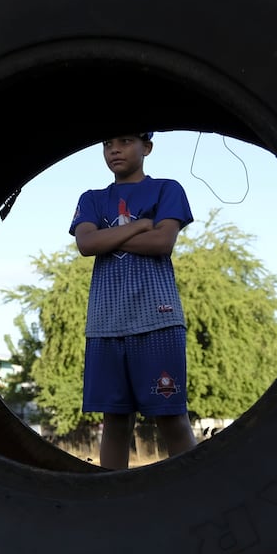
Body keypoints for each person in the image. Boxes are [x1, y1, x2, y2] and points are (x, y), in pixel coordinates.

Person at [70, 132, 197, 470]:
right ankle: (111, 504)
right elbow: (85, 244)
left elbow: (162, 242)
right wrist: (141, 225)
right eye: (107, 143)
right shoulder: (93, 198)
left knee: (171, 418)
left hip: (158, 319)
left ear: (147, 147)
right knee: (114, 421)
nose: (114, 149)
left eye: (125, 141)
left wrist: (105, 238)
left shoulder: (167, 189)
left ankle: (193, 495)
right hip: (106, 324)